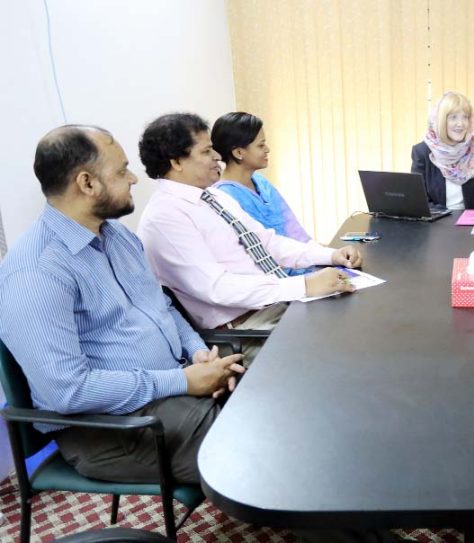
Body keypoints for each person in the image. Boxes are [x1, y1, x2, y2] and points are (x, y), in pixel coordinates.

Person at [0, 125, 243, 484]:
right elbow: (67, 391)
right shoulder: (36, 271)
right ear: (87, 183)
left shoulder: (118, 237)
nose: (133, 178)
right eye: (121, 170)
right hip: (110, 429)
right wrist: (181, 381)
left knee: (271, 410)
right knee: (258, 452)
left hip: (171, 390)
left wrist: (197, 354)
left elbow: (163, 307)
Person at [136, 113, 360, 363]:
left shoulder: (214, 196)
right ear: (177, 162)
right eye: (207, 151)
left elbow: (267, 242)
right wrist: (303, 286)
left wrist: (330, 255)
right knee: (347, 350)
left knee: (357, 319)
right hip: (248, 329)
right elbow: (216, 288)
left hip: (275, 306)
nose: (218, 157)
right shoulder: (164, 217)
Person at [211, 111, 313, 276]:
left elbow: (294, 229)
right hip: (276, 280)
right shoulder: (223, 197)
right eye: (261, 145)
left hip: (304, 263)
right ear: (238, 153)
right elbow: (258, 253)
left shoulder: (261, 182)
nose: (268, 149)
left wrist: (324, 255)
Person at [411, 91, 474, 210]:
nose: (461, 124)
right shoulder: (422, 152)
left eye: (465, 117)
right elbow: (419, 201)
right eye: (453, 117)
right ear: (441, 121)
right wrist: (446, 221)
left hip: (471, 224)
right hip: (436, 223)